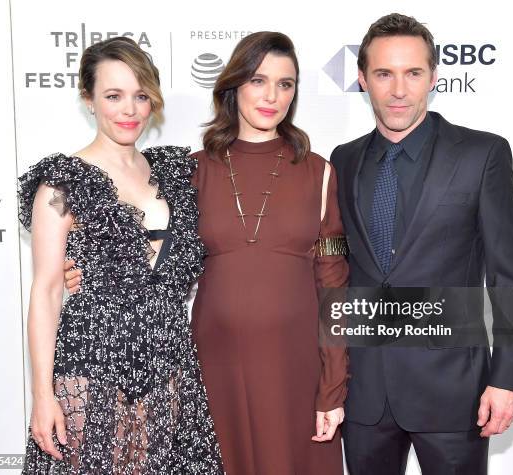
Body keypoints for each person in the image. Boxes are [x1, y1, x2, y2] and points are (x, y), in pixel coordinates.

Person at [65, 31, 349, 475]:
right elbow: (148, 252)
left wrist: (333, 388)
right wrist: (86, 270)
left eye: (285, 84)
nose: (272, 96)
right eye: (258, 80)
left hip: (296, 367)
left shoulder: (320, 172)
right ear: (233, 86)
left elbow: (334, 286)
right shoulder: (189, 172)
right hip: (212, 364)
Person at [331, 13, 513, 475]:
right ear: (363, 79)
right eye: (383, 73)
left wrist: (506, 380)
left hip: (454, 391)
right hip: (363, 393)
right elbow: (335, 269)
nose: (398, 89)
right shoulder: (342, 160)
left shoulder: (483, 154)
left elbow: (511, 276)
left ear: (434, 78)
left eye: (413, 73)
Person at [18, 36, 222, 474]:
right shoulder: (61, 185)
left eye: (141, 95)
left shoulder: (175, 173)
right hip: (90, 364)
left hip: (169, 362)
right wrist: (42, 394)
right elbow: (48, 290)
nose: (129, 110)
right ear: (88, 99)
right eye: (113, 95)